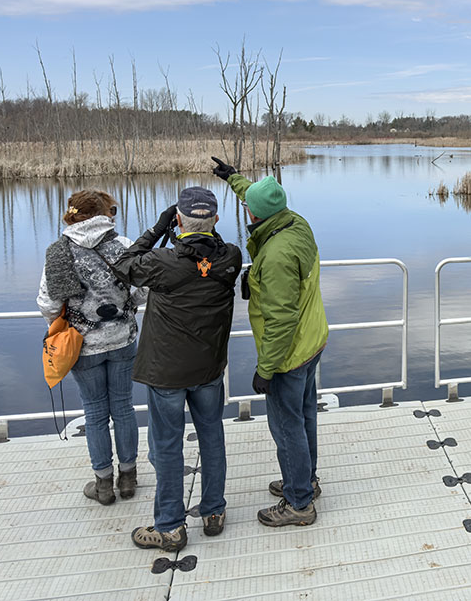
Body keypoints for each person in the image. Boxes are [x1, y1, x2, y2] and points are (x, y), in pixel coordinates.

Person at [111, 187, 242, 552]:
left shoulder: (161, 262)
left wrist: (157, 229)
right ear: (216, 220)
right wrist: (193, 234)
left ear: (178, 220)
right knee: (212, 436)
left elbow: (123, 266)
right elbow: (204, 258)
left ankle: (170, 527)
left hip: (166, 373)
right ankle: (213, 511)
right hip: (209, 370)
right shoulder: (231, 256)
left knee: (166, 446)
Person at [212, 157, 329, 528]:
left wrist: (265, 370)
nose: (245, 208)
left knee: (286, 425)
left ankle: (298, 503)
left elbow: (281, 319)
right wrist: (234, 178)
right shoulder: (295, 222)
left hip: (288, 354)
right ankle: (305, 481)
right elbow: (259, 197)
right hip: (311, 342)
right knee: (305, 415)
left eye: (247, 208)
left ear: (256, 217)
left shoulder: (277, 255)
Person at [37, 190, 147, 506]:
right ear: (103, 213)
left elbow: (48, 303)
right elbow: (142, 293)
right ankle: (128, 478)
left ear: (72, 215)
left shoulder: (58, 252)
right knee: (123, 407)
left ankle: (103, 486)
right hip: (123, 340)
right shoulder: (123, 246)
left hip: (82, 347)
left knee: (95, 411)